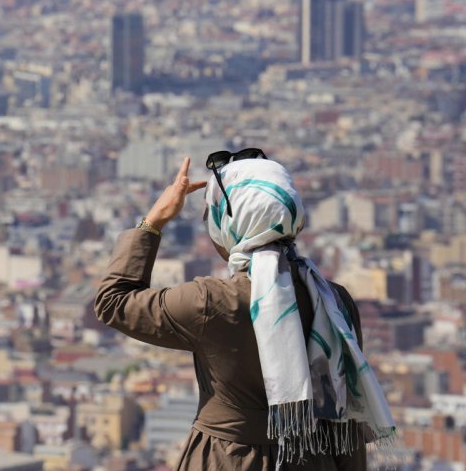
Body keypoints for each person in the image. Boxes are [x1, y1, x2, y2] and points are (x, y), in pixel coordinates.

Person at [94, 154, 396, 470]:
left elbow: (113, 301)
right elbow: (343, 419)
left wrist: (153, 220)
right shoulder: (333, 302)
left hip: (228, 460)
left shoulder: (212, 302)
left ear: (232, 224)